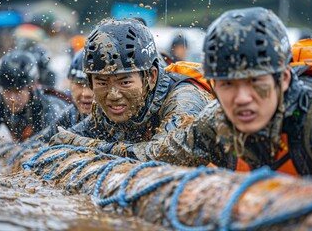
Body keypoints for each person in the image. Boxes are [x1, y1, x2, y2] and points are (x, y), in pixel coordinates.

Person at [136, 7, 312, 186]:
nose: (242, 98)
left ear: (284, 79)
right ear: (215, 86)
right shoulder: (216, 119)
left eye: (255, 82)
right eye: (228, 84)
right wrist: (105, 149)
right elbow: (155, 155)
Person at [48, 18, 211, 159]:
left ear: (151, 77)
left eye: (124, 83)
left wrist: (86, 145)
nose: (113, 96)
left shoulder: (183, 98)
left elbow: (165, 154)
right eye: (102, 83)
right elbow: (57, 139)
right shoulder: (104, 107)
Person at [0, 50, 70, 142]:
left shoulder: (48, 106)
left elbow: (51, 145)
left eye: (18, 91)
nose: (12, 99)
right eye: (8, 91)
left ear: (32, 87)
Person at [31, 49, 93, 142]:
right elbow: (38, 142)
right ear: (70, 83)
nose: (86, 93)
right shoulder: (70, 114)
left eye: (92, 85)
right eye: (79, 84)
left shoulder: (114, 116)